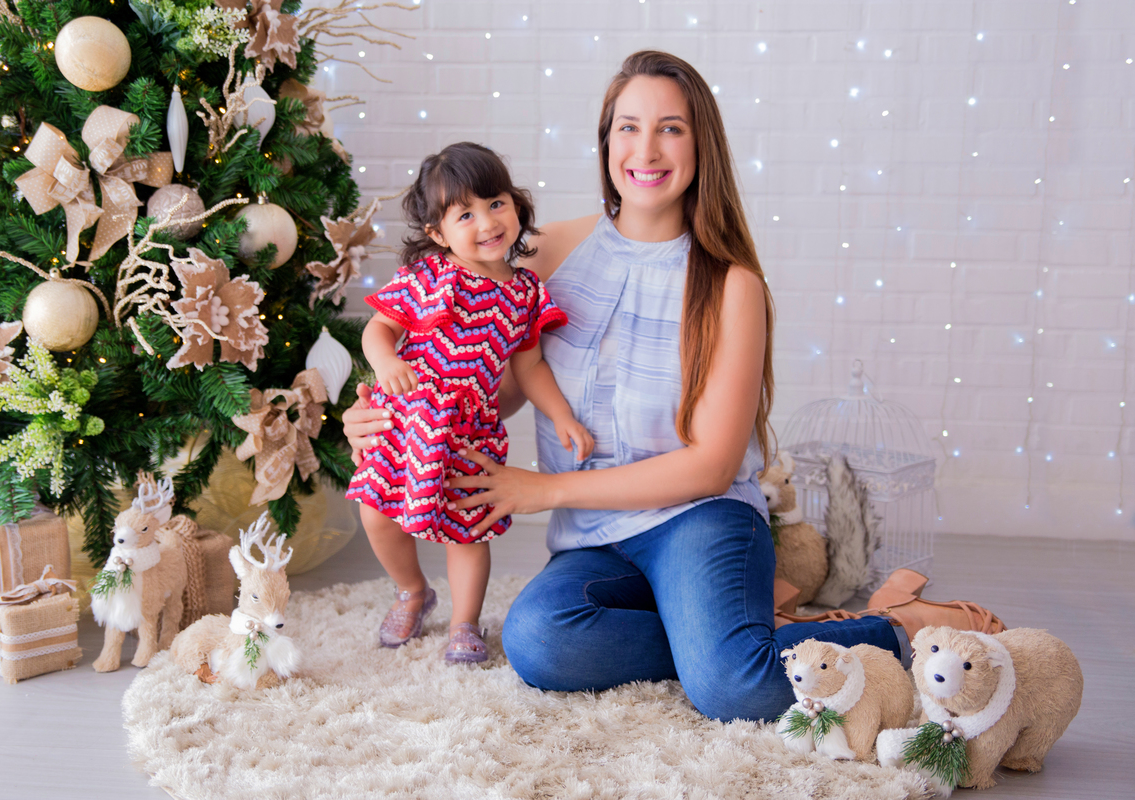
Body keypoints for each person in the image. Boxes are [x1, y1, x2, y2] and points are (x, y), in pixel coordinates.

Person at [344, 52, 1004, 719]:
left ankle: (895, 630)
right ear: (606, 142)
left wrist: (545, 489)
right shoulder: (542, 258)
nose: (646, 149)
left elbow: (712, 466)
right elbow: (489, 386)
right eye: (628, 127)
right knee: (539, 639)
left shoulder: (731, 285)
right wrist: (378, 414)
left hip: (699, 519)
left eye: (671, 129)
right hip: (597, 538)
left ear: (700, 146)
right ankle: (726, 637)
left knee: (732, 686)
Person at [346, 142, 594, 665]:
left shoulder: (525, 293)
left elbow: (529, 368)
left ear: (516, 204)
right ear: (439, 233)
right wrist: (386, 361)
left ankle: (464, 623)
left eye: (495, 203)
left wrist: (562, 415)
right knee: (377, 514)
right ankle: (412, 590)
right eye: (465, 214)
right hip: (407, 421)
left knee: (468, 529)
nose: (486, 222)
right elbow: (378, 328)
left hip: (468, 431)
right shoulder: (429, 276)